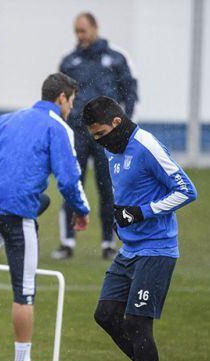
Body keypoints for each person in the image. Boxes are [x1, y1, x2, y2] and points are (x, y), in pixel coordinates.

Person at [84, 96, 196, 361]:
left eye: (101, 133)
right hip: (130, 249)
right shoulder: (111, 148)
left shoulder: (146, 145)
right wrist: (123, 219)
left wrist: (142, 212)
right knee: (105, 314)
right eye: (94, 136)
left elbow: (187, 190)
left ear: (116, 124)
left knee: (136, 322)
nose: (98, 141)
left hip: (157, 249)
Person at [0, 73, 91, 361]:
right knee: (25, 290)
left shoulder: (10, 117)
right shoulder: (58, 127)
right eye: (71, 102)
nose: (71, 109)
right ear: (61, 98)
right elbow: (68, 178)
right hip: (13, 212)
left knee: (41, 203)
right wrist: (81, 210)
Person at [53, 12, 138, 260]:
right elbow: (60, 99)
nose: (80, 36)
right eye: (77, 32)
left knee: (108, 189)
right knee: (71, 185)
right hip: (77, 133)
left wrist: (124, 128)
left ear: (95, 28)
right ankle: (67, 242)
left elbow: (130, 92)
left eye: (83, 31)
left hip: (106, 136)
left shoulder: (116, 58)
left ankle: (108, 243)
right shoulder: (69, 62)